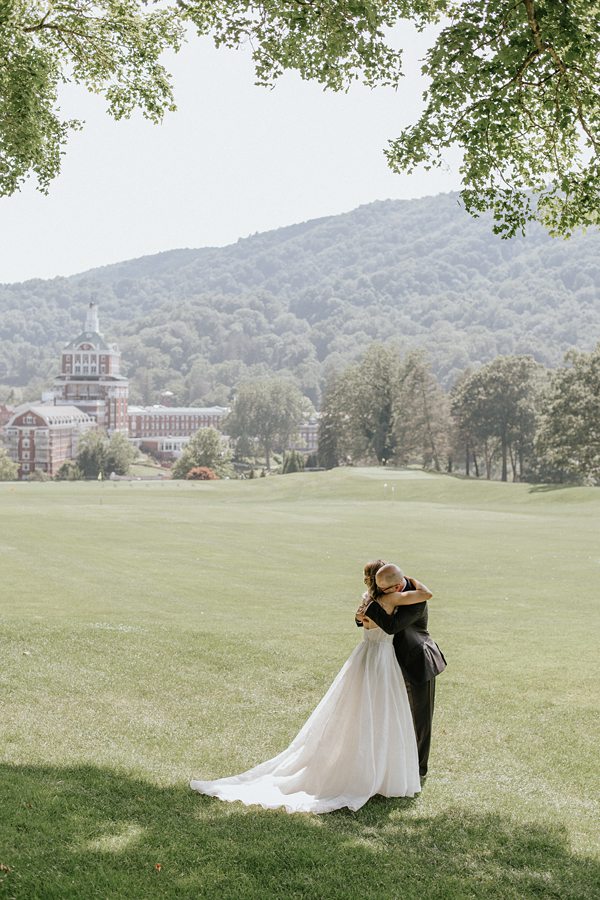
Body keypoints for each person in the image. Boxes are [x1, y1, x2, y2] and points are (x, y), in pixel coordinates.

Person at [190, 563, 427, 814]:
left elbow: (363, 621)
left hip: (365, 655)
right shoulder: (393, 599)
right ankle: (380, 771)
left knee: (357, 709)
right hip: (382, 660)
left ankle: (367, 765)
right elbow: (423, 596)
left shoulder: (368, 599)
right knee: (383, 711)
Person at [357, 561, 446, 779]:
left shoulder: (416, 600)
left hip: (417, 662)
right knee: (392, 715)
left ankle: (419, 769)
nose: (379, 592)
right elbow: (360, 622)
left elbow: (393, 626)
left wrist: (370, 608)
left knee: (420, 720)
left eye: (384, 589)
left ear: (396, 587)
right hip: (388, 662)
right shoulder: (387, 593)